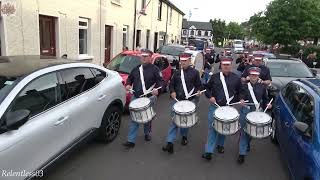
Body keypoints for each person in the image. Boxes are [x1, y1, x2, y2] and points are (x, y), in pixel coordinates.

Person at [202, 58, 242, 160]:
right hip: (215, 106)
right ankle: (209, 151)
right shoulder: (214, 77)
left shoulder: (236, 78)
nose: (226, 66)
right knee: (213, 128)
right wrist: (210, 96)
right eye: (224, 65)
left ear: (231, 66)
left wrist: (240, 99)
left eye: (228, 65)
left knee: (224, 127)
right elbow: (207, 88)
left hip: (228, 107)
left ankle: (220, 145)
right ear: (221, 66)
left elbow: (240, 92)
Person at [162, 53, 202, 154]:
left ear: (189, 61)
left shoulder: (195, 73)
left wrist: (199, 91)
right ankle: (170, 143)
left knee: (184, 121)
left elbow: (199, 86)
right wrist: (172, 92)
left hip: (190, 100)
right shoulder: (176, 73)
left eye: (185, 61)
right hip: (178, 101)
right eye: (181, 61)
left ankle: (184, 136)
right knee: (174, 121)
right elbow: (171, 85)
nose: (182, 63)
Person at [123, 49, 163, 149]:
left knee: (147, 119)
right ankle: (130, 140)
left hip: (149, 98)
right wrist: (128, 85)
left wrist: (157, 90)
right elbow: (130, 78)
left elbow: (160, 82)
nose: (143, 58)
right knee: (134, 119)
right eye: (142, 56)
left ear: (150, 58)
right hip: (136, 97)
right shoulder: (136, 69)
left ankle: (147, 133)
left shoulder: (155, 69)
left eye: (145, 56)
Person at [237, 67, 272, 164]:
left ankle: (247, 143)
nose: (253, 77)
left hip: (257, 111)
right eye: (252, 75)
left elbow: (265, 99)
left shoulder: (262, 87)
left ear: (258, 76)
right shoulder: (244, 85)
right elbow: (240, 95)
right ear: (249, 75)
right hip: (246, 110)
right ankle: (241, 153)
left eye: (255, 75)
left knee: (252, 132)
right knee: (244, 131)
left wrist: (268, 104)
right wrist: (241, 99)